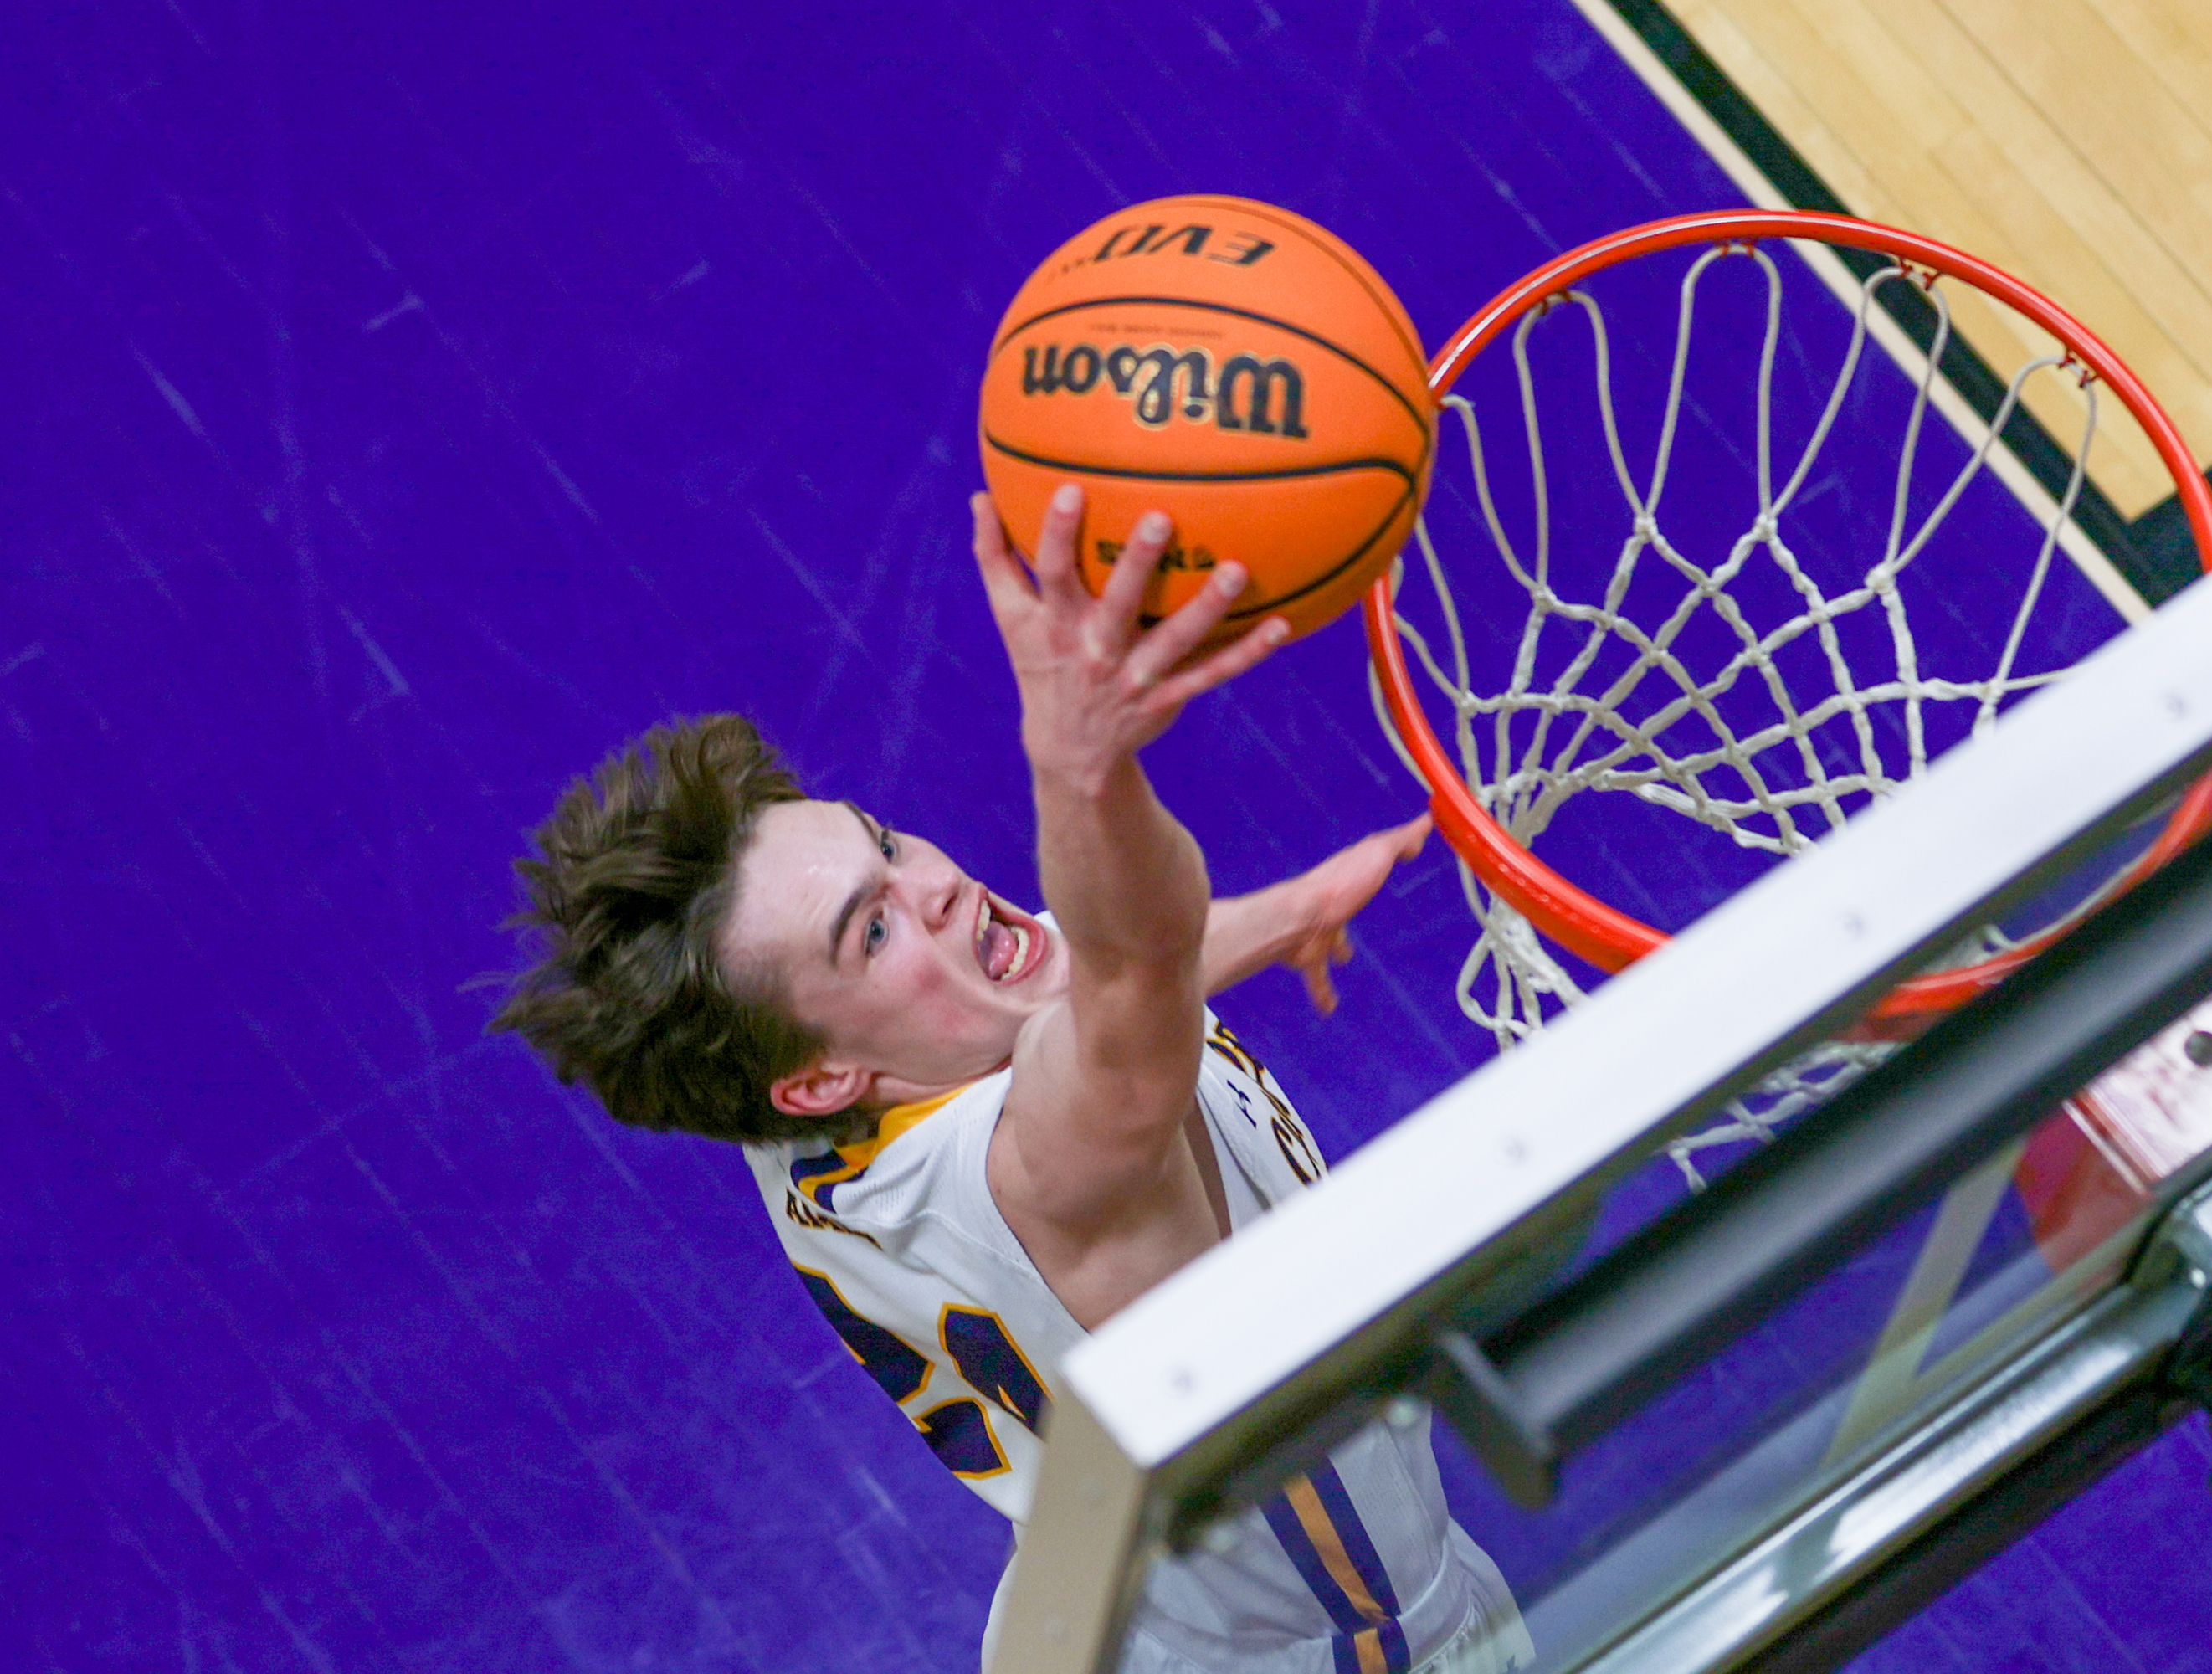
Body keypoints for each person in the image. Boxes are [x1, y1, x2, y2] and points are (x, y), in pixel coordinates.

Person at [492, 483, 1532, 1674]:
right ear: (822, 1081)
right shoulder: (1035, 1164)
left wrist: (1284, 914)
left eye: (884, 843)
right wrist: (1079, 763)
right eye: (870, 930)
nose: (930, 885)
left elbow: (1097, 970)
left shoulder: (807, 1075)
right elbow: (1128, 977)